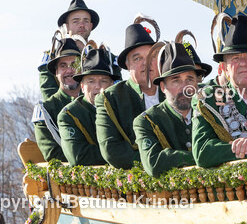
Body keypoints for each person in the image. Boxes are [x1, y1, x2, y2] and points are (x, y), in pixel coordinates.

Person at [192, 14, 247, 168]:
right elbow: (202, 151)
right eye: (235, 58)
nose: (243, 63)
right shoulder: (208, 100)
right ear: (225, 68)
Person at [95, 16, 161, 169]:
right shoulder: (109, 99)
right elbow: (112, 150)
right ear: (127, 64)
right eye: (137, 58)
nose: (146, 63)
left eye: (151, 57)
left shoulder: (174, 90)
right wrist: (159, 161)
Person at [134, 40, 201, 176]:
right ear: (163, 87)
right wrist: (203, 156)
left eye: (189, 79)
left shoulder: (209, 112)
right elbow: (153, 163)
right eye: (176, 80)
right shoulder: (147, 121)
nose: (185, 87)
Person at [58, 46, 119, 166]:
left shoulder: (122, 108)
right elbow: (78, 156)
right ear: (82, 86)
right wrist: (116, 152)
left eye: (103, 81)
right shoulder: (69, 115)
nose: (97, 86)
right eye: (91, 81)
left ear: (112, 85)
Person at [38, 0, 101, 100]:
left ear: (91, 26)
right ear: (67, 27)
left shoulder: (102, 57)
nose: (81, 25)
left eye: (86, 21)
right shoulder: (52, 56)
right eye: (76, 21)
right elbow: (49, 93)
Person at [32, 37, 83, 160]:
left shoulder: (95, 103)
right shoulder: (45, 111)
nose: (69, 70)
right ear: (56, 72)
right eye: (63, 66)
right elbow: (53, 155)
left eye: (74, 65)